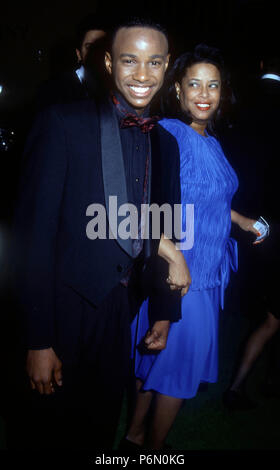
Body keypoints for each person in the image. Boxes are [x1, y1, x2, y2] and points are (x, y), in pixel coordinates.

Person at [12, 18, 191, 450]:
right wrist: (38, 339)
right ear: (109, 62)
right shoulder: (63, 123)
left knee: (100, 421)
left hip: (124, 308)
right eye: (130, 60)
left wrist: (165, 311)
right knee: (47, 427)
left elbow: (164, 223)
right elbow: (32, 238)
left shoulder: (165, 142)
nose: (143, 74)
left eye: (154, 62)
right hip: (64, 304)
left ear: (167, 66)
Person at [124, 44, 262, 450]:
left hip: (207, 271)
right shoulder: (169, 134)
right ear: (179, 91)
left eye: (213, 85)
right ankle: (152, 449)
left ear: (223, 92)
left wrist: (241, 220)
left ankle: (133, 438)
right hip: (181, 274)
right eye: (194, 85)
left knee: (157, 365)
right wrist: (170, 269)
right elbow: (150, 204)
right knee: (176, 375)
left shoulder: (211, 140)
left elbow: (209, 199)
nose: (204, 94)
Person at [222, 52, 280, 409]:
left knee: (256, 295)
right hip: (263, 215)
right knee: (271, 312)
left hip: (246, 209)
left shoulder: (242, 106)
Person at [36, 13, 109, 109]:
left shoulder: (118, 87)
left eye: (101, 46)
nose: (95, 53)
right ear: (79, 54)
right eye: (89, 47)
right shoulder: (54, 91)